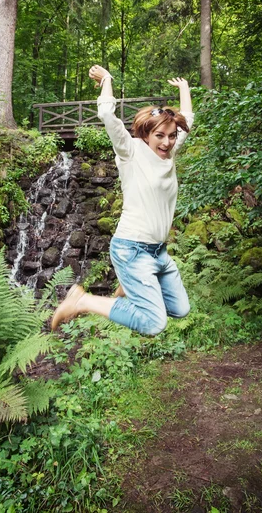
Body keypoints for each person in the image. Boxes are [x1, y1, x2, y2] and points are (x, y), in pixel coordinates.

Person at [51, 64, 194, 335]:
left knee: (180, 309)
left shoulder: (170, 152)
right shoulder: (130, 150)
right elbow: (106, 113)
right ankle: (82, 300)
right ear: (146, 133)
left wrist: (184, 88)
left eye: (172, 136)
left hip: (158, 252)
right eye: (160, 136)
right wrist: (107, 79)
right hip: (133, 249)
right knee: (154, 323)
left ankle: (128, 285)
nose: (167, 142)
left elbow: (187, 117)